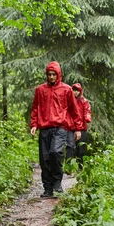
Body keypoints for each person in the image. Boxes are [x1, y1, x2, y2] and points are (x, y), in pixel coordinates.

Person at [30, 61, 82, 198]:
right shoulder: (40, 90)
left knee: (55, 152)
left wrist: (77, 128)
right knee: (45, 158)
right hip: (45, 128)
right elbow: (35, 107)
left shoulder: (66, 90)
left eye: (54, 74)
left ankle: (57, 184)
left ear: (58, 74)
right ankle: (47, 188)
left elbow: (74, 110)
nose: (51, 77)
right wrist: (34, 124)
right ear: (46, 75)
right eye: (49, 74)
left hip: (60, 127)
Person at [67, 83, 91, 167]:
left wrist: (87, 117)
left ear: (80, 92)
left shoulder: (84, 101)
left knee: (81, 148)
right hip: (71, 127)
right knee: (70, 146)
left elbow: (87, 111)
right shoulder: (69, 101)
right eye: (74, 90)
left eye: (77, 91)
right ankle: (69, 166)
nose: (75, 92)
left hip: (82, 128)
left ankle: (80, 167)